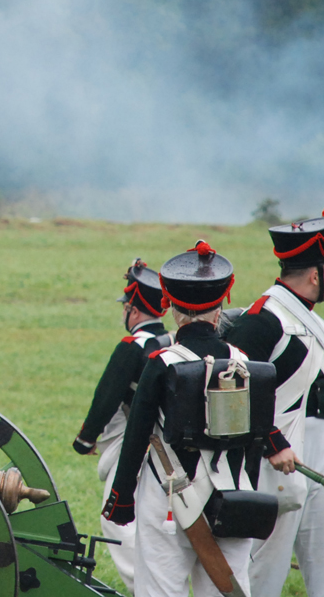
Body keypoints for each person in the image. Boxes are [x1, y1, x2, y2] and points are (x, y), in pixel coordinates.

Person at [225, 207, 324, 597]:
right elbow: (235, 391)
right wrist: (272, 441)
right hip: (274, 461)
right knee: (264, 567)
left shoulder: (316, 325)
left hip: (317, 456)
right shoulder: (261, 320)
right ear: (314, 275)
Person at [103, 241, 267, 597]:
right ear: (220, 307)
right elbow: (257, 439)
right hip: (232, 497)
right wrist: (247, 490)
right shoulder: (245, 362)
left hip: (167, 500)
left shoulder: (161, 363)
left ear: (174, 310)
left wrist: (121, 498)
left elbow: (136, 436)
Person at [73, 258, 171, 593]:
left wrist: (85, 440)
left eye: (126, 307)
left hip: (135, 444)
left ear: (134, 310)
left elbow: (107, 397)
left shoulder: (133, 346)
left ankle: (143, 586)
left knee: (116, 519)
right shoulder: (171, 341)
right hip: (167, 447)